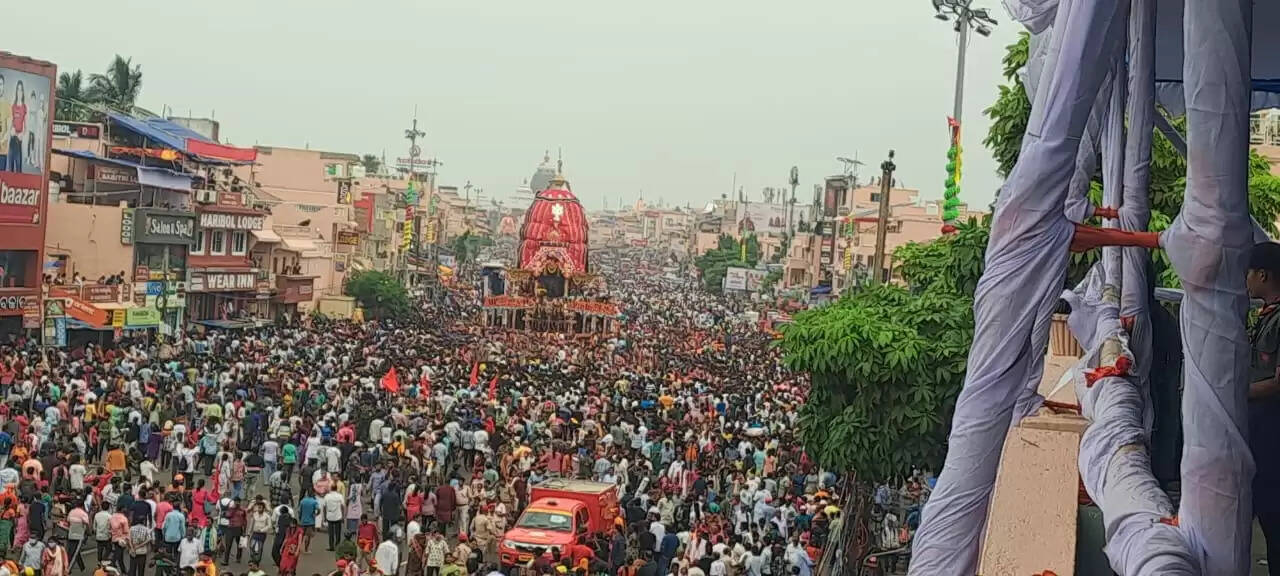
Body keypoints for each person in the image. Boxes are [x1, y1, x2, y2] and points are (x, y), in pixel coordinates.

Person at [1251, 240, 1280, 575]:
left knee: (1273, 516)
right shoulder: (1265, 317)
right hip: (1258, 431)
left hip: (1273, 433)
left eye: (1248, 273)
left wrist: (1237, 394)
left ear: (1263, 274)